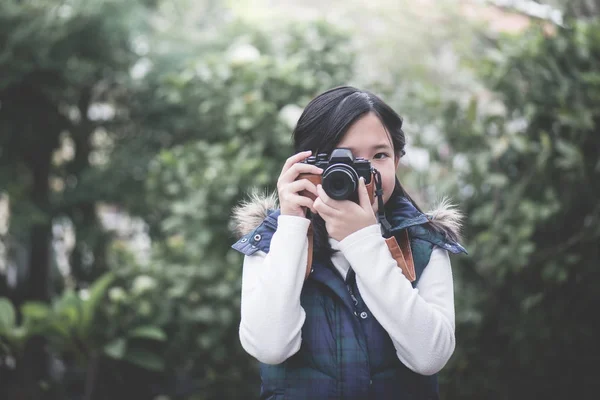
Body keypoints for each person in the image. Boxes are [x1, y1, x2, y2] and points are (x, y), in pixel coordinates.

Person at [231, 86, 467, 400]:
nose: (361, 174)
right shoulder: (273, 241)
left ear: (397, 160)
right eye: (343, 159)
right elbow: (269, 347)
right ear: (306, 162)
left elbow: (430, 357)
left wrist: (363, 241)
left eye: (379, 155)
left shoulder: (423, 243)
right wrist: (291, 225)